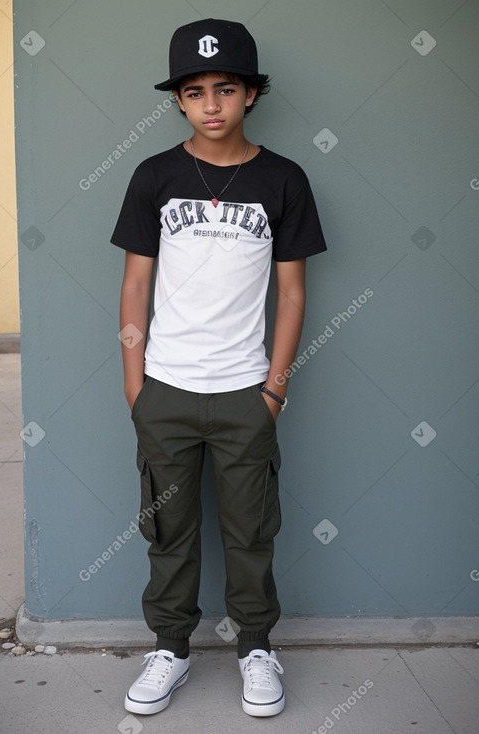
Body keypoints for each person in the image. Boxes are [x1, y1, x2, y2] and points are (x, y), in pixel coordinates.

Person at [111, 17, 327, 718]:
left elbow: (291, 292)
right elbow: (135, 285)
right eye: (195, 90)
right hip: (165, 389)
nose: (211, 104)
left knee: (250, 532)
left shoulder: (282, 179)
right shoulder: (155, 176)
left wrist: (274, 388)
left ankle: (256, 649)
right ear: (178, 99)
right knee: (167, 531)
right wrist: (134, 383)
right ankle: (169, 648)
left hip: (244, 392)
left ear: (250, 94)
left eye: (226, 88)